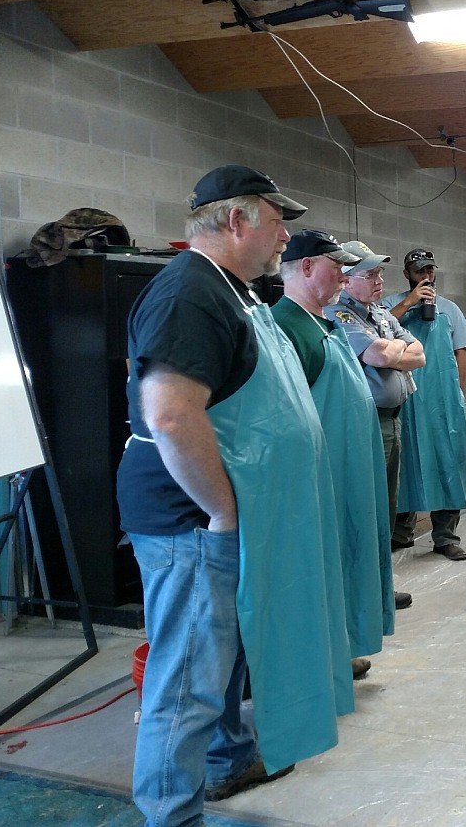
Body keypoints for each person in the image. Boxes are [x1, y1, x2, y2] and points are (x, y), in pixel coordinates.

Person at [117, 165, 354, 827]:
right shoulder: (190, 293)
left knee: (214, 665)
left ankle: (212, 774)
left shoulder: (233, 289)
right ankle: (171, 816)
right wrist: (223, 510)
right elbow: (170, 414)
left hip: (216, 519)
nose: (286, 234)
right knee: (187, 680)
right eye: (277, 218)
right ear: (236, 219)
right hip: (190, 519)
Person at [271, 230, 403, 681]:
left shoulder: (323, 323)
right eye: (337, 267)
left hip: (348, 469)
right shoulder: (287, 328)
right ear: (307, 267)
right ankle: (319, 659)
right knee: (321, 564)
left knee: (346, 557)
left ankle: (339, 644)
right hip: (321, 473)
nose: (344, 277)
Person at [325, 243, 426, 567]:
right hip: (367, 420)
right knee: (367, 501)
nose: (379, 281)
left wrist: (390, 352)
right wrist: (395, 352)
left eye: (380, 273)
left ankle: (380, 578)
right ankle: (364, 577)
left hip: (394, 419)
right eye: (370, 275)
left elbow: (419, 355)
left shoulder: (380, 313)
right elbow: (379, 355)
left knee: (387, 502)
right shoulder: (338, 313)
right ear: (346, 280)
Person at [381, 248, 466, 561]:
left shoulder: (449, 309)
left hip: (441, 403)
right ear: (407, 273)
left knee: (447, 463)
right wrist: (408, 303)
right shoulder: (388, 306)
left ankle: (446, 537)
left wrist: (457, 393)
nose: (426, 277)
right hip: (405, 400)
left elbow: (461, 351)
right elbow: (375, 332)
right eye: (419, 271)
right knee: (402, 466)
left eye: (430, 271)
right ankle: (401, 534)